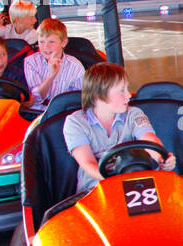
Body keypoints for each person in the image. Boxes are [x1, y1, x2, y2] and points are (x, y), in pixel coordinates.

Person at [65, 63, 175, 194]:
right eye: (121, 90)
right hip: (95, 190)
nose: (129, 95)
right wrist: (120, 180)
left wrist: (161, 158)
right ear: (99, 95)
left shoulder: (134, 114)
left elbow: (149, 138)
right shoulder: (75, 123)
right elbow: (89, 164)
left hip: (137, 186)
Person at [24, 17, 86, 110]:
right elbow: (37, 98)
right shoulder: (31, 62)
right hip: (36, 112)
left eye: (51, 42)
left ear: (63, 42)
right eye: (41, 42)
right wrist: (51, 76)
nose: (46, 47)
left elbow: (79, 100)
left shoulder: (75, 66)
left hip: (63, 113)